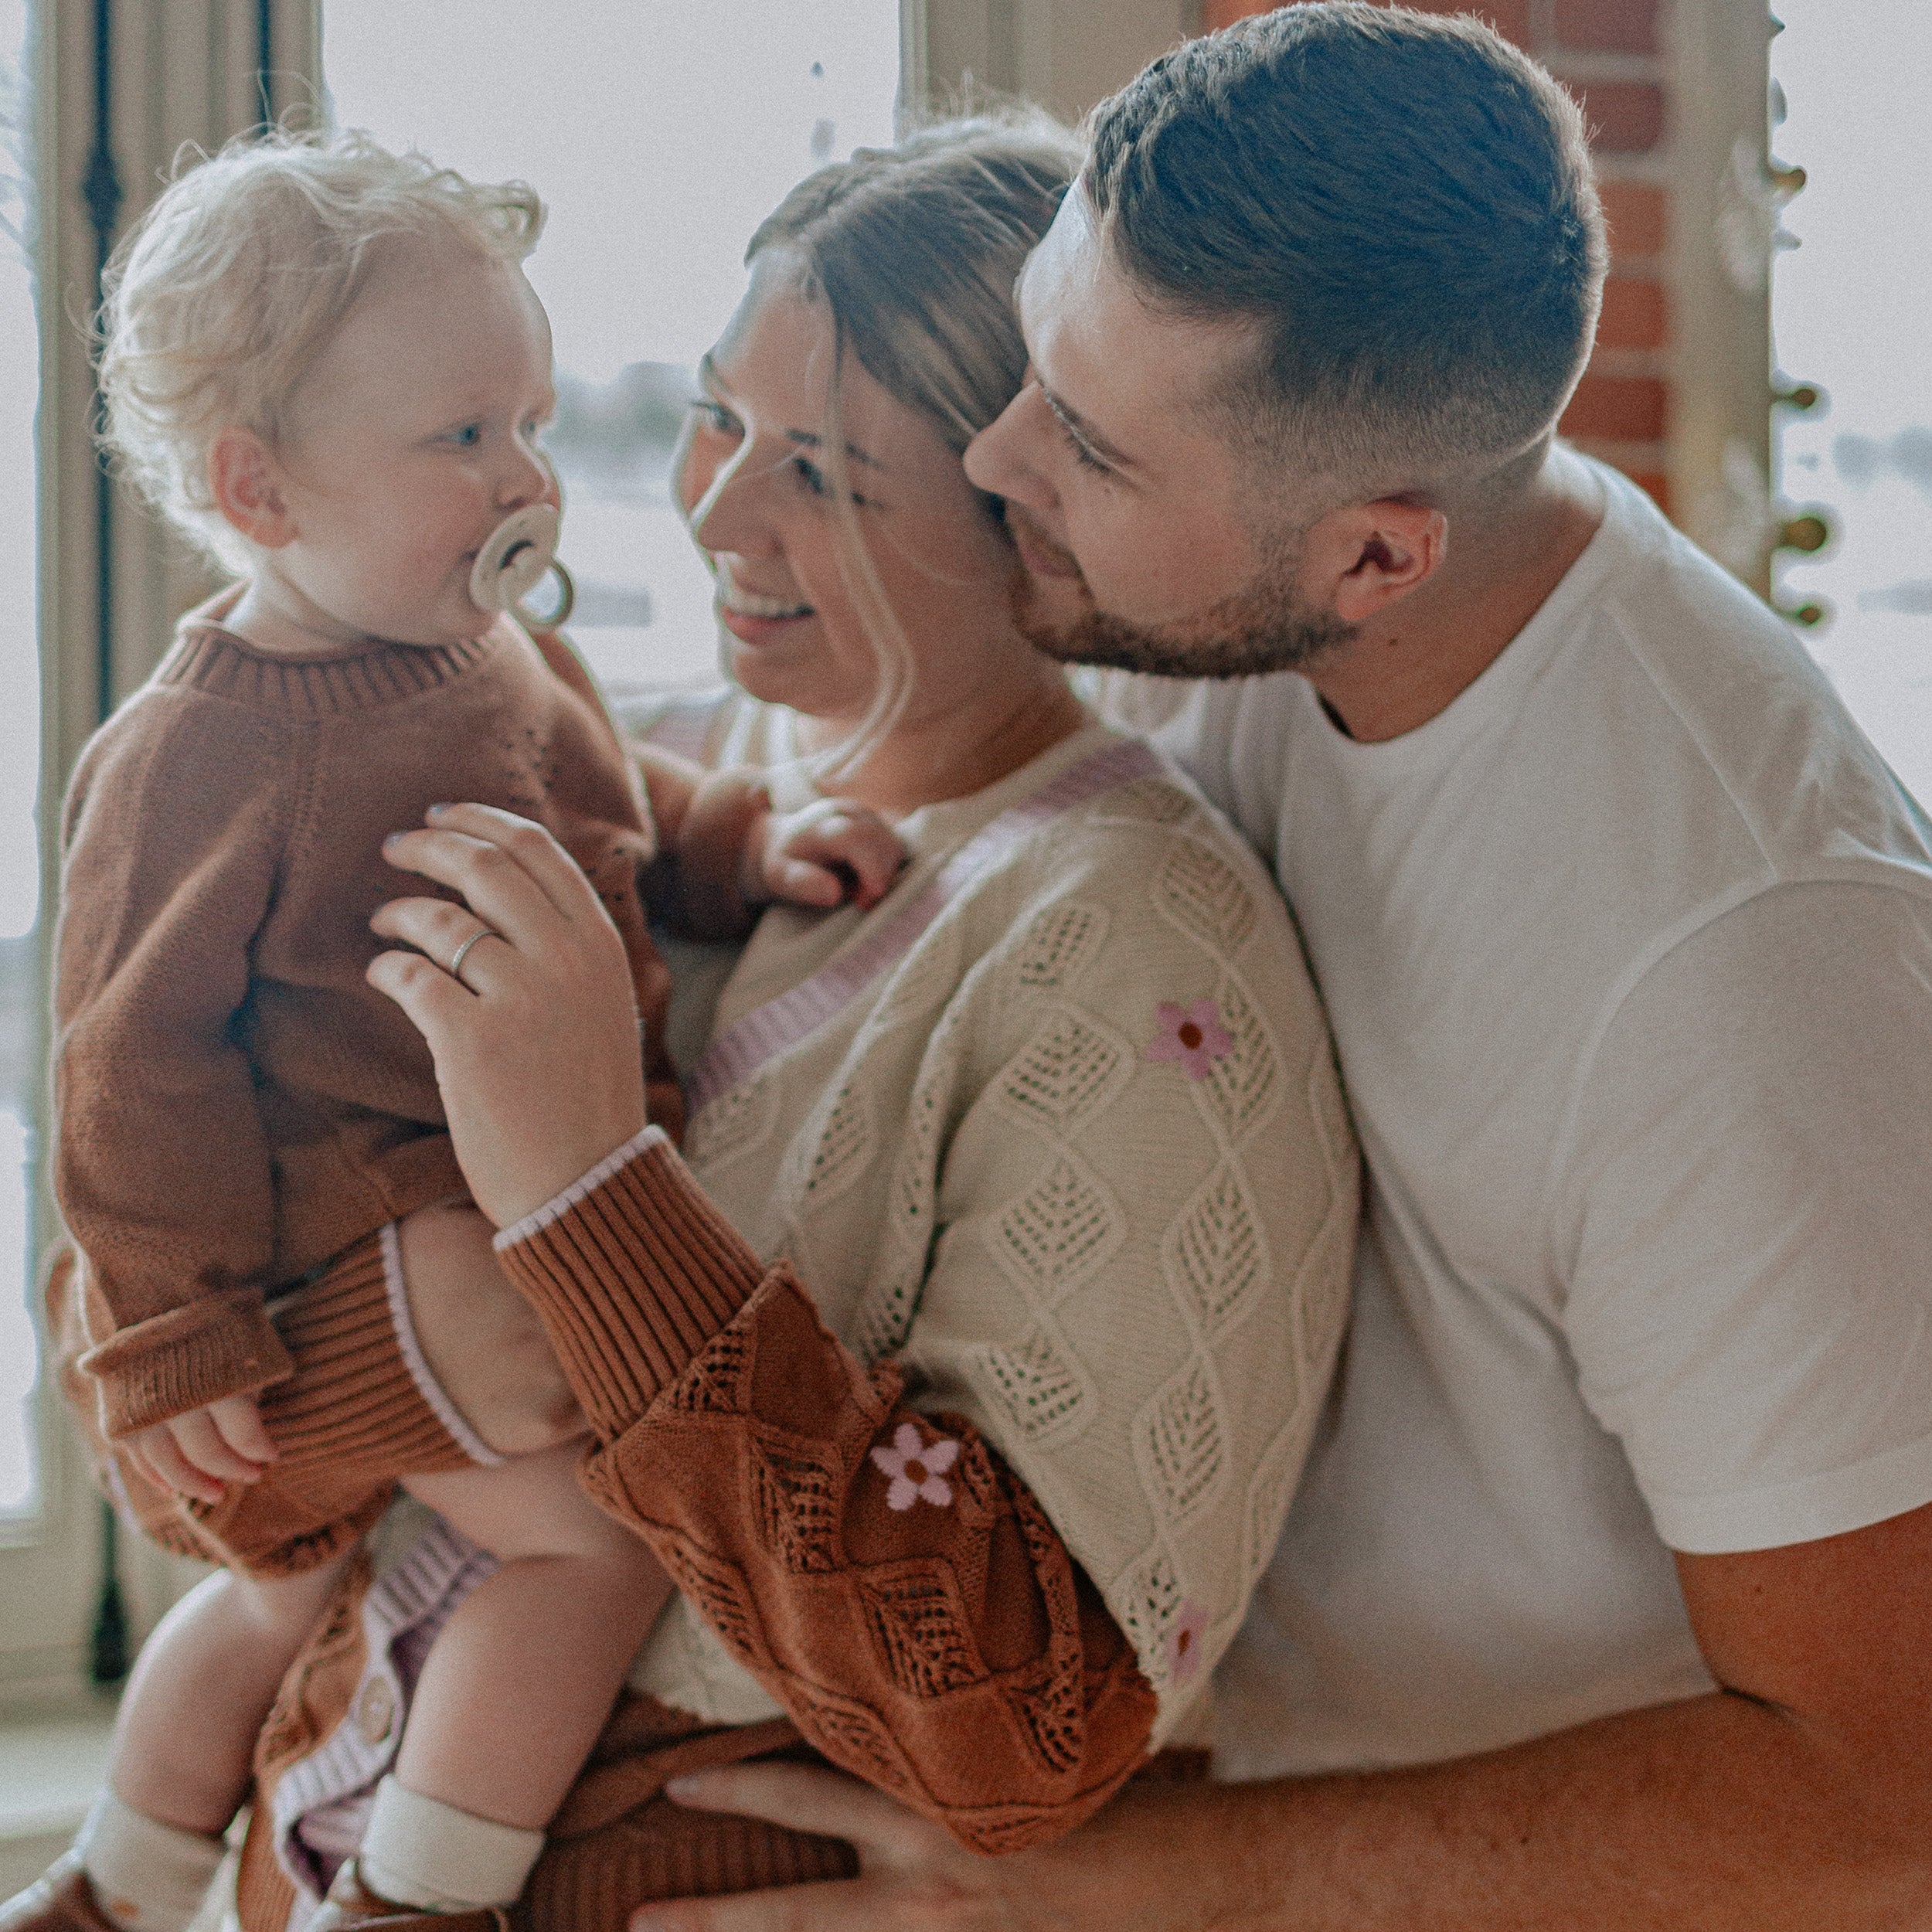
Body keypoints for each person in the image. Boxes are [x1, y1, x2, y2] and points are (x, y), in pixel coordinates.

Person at [546, 7, 1931, 1927]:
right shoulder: (1212, 594)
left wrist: (1134, 1881)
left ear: (1374, 558)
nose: (996, 459)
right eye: (1034, 358)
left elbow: (1881, 1797)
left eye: (1085, 444)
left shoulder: (1739, 968)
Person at [222, 114, 1359, 1932]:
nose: (712, 512)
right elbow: (167, 1367)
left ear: (1031, 521)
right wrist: (370, 1349)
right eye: (715, 415)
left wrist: (592, 1196)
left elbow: (1024, 1726)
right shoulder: (616, 766)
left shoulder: (1140, 953)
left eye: (820, 473)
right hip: (303, 1814)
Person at [5, 131, 902, 1932]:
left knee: (285, 1592)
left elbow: (606, 802)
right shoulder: (199, 750)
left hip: (491, 1202)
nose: (525, 481)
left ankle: (116, 1879)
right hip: (365, 1233)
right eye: (462, 436)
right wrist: (176, 1336)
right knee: (590, 1546)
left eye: (533, 423)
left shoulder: (491, 645)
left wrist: (736, 844)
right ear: (258, 487)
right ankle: (422, 1889)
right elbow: (125, 1066)